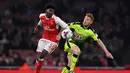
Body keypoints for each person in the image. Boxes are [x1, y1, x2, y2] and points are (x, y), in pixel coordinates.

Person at [33, 3, 69, 73]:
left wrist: (59, 34)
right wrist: (37, 27)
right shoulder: (41, 16)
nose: (51, 12)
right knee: (39, 57)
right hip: (44, 38)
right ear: (46, 10)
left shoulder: (56, 19)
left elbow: (65, 26)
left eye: (53, 11)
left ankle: (38, 64)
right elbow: (41, 21)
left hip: (53, 41)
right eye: (50, 10)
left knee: (42, 55)